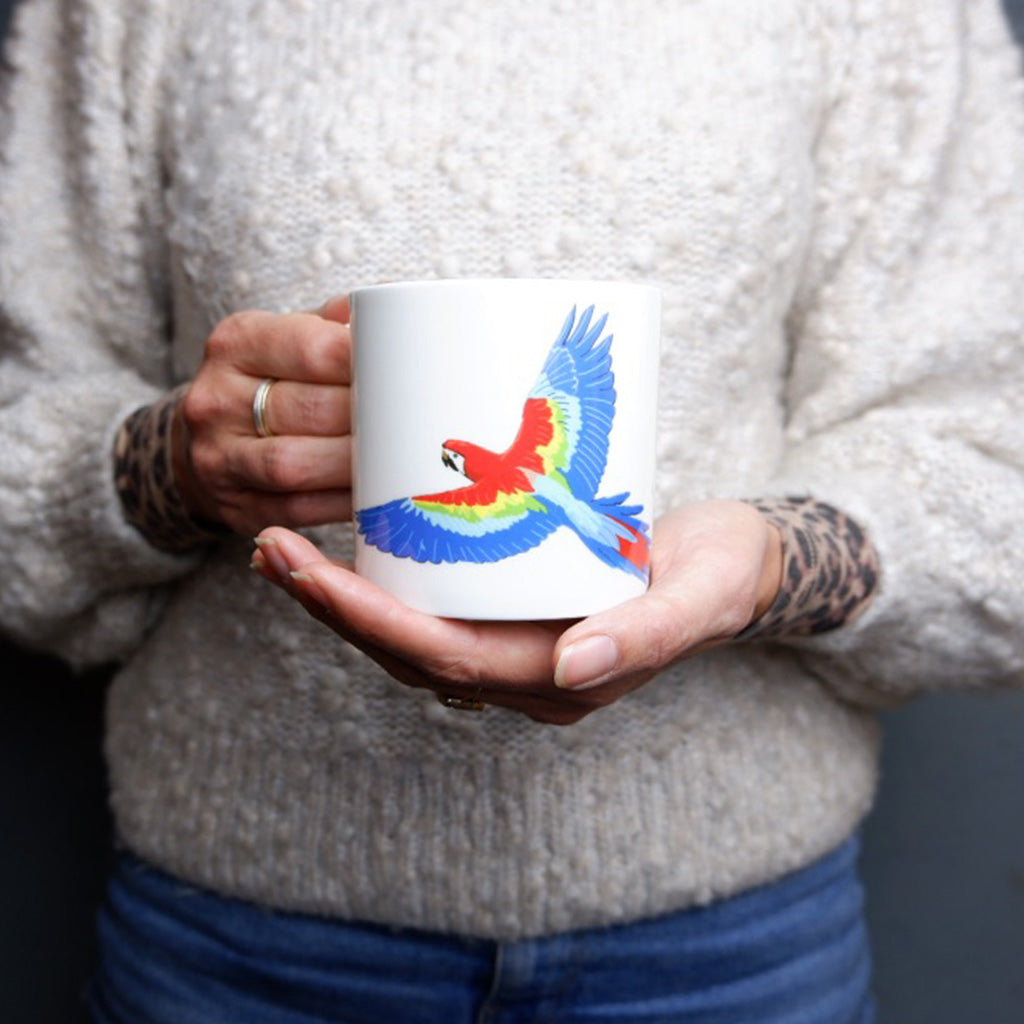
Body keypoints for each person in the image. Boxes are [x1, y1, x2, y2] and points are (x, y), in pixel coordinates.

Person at [1, 0, 1023, 1021]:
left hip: (730, 962)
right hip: (236, 953)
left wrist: (768, 564)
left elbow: (993, 472)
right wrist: (171, 465)